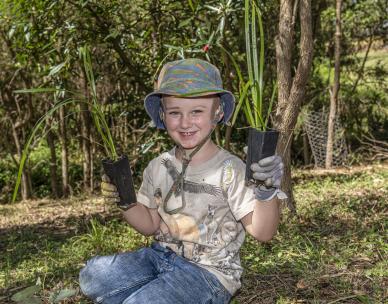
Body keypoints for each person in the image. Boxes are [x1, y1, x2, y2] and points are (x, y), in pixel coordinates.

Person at [79, 58, 285, 304]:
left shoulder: (231, 169)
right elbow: (149, 225)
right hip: (160, 257)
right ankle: (153, 291)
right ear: (163, 115)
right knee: (91, 275)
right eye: (175, 112)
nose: (185, 122)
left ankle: (149, 295)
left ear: (217, 112)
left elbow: (263, 232)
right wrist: (125, 202)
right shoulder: (158, 166)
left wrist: (266, 191)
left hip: (208, 273)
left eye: (197, 111)